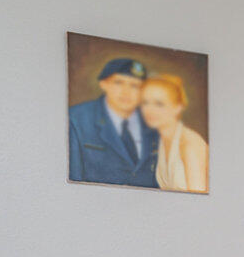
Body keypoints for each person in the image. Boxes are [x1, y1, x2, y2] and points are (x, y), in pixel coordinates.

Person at [67, 57, 160, 187]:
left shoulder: (155, 123)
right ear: (104, 84)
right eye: (118, 82)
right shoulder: (76, 120)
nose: (126, 92)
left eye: (135, 86)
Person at [140, 74, 209, 193]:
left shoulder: (189, 144)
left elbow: (199, 203)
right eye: (145, 102)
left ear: (177, 107)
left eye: (159, 104)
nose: (150, 110)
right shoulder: (160, 141)